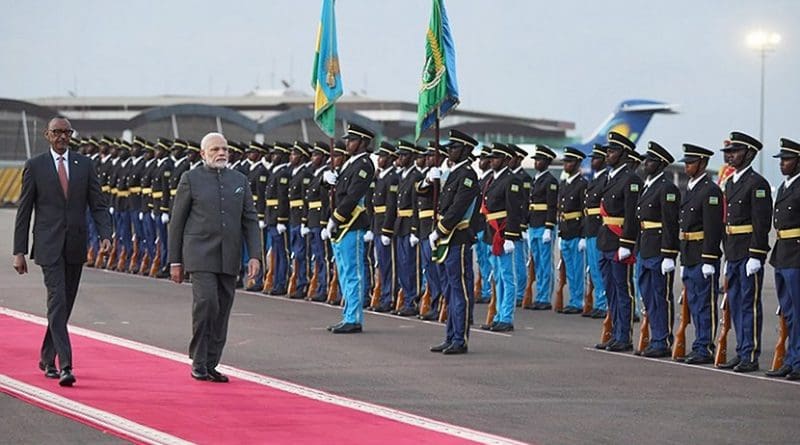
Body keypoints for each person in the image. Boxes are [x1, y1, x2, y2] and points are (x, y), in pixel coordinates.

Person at [13, 117, 112, 387]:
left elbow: (99, 205)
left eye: (66, 132)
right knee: (57, 301)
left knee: (64, 305)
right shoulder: (35, 166)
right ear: (47, 135)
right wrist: (18, 250)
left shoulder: (85, 165)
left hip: (75, 245)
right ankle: (64, 364)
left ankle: (46, 356)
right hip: (47, 245)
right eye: (56, 132)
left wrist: (106, 235)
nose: (62, 137)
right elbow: (24, 211)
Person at [168, 132, 261, 382]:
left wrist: (255, 256)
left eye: (224, 149)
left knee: (222, 310)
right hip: (200, 255)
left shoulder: (239, 180)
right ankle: (198, 361)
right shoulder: (191, 179)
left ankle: (211, 363)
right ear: (203, 154)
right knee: (207, 303)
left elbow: (250, 220)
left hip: (229, 256)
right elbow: (177, 222)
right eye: (215, 150)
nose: (221, 153)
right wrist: (175, 261)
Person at [717, 131, 772, 373]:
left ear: (749, 154)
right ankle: (741, 350)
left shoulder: (756, 183)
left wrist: (757, 254)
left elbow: (761, 222)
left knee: (749, 304)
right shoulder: (730, 182)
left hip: (749, 250)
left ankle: (750, 353)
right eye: (728, 152)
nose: (730, 156)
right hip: (734, 251)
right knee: (736, 303)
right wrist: (727, 255)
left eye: (735, 152)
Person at [428, 129, 480, 354]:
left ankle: (460, 338)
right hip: (446, 238)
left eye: (454, 147)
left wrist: (439, 231)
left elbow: (458, 209)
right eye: (448, 147)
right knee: (449, 289)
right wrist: (430, 180)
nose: (449, 151)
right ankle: (450, 335)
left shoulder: (467, 175)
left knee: (459, 290)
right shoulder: (452, 174)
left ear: (467, 150)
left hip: (456, 237)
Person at [324, 124, 376, 333]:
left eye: (352, 140)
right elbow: (338, 191)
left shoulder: (364, 165)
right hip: (343, 224)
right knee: (344, 272)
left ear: (363, 142)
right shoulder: (349, 164)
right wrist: (325, 180)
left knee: (354, 273)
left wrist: (335, 219)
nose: (347, 144)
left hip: (351, 223)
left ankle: (354, 317)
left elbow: (353, 196)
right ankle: (348, 314)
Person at [595, 131, 642, 352]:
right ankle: (615, 331)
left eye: (612, 151)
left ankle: (624, 336)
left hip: (619, 240)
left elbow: (632, 215)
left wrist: (626, 243)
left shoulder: (631, 179)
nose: (607, 155)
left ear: (624, 154)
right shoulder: (610, 176)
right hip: (605, 240)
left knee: (623, 290)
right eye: (607, 150)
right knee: (610, 290)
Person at [677, 143, 723, 365]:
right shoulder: (691, 188)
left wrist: (709, 259)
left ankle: (705, 345)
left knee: (705, 302)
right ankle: (698, 343)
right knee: (694, 301)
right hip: (689, 253)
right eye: (685, 162)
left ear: (703, 163)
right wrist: (683, 259)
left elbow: (713, 228)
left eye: (691, 162)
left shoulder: (710, 190)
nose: (687, 166)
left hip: (702, 253)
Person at [634, 142, 680, 357]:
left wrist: (669, 254)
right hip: (645, 247)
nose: (646, 164)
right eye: (645, 160)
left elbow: (670, 223)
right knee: (648, 296)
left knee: (661, 296)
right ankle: (655, 337)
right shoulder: (648, 185)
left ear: (661, 163)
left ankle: (663, 340)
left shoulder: (667, 188)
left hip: (659, 248)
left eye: (651, 160)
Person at [765, 138, 800, 380]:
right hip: (783, 251)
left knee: (798, 311)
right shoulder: (786, 186)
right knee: (788, 311)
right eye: (781, 160)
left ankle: (798, 361)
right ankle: (791, 358)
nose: (782, 164)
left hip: (797, 253)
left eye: (787, 160)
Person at [526, 145, 558, 310]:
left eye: (539, 160)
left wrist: (549, 227)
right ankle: (539, 295)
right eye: (536, 160)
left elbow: (552, 206)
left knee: (546, 263)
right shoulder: (536, 179)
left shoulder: (550, 181)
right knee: (537, 262)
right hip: (534, 224)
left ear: (546, 162)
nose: (536, 162)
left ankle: (545, 297)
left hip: (544, 225)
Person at [557, 147, 588, 314]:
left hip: (576, 230)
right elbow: (560, 210)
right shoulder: (564, 184)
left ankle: (578, 301)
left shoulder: (582, 184)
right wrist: (560, 233)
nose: (566, 165)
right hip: (565, 230)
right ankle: (573, 299)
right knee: (569, 269)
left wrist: (583, 235)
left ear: (577, 163)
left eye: (569, 162)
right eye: (565, 162)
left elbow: (585, 212)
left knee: (578, 269)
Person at [583, 144, 608, 318]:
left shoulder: (605, 180)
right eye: (592, 158)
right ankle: (600, 303)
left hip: (600, 227)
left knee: (600, 268)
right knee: (593, 269)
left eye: (597, 158)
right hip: (590, 228)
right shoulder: (594, 180)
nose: (593, 161)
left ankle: (603, 303)